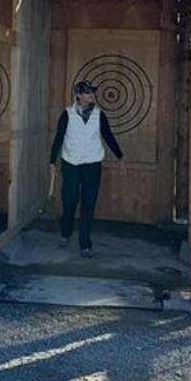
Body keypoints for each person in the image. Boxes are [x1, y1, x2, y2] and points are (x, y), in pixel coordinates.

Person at [49, 80, 125, 256]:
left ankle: (85, 244)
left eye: (92, 92)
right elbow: (59, 137)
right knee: (69, 200)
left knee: (88, 203)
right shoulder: (67, 114)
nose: (91, 95)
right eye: (87, 92)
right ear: (78, 95)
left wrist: (120, 156)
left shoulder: (99, 115)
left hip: (92, 163)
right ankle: (65, 232)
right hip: (71, 163)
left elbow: (108, 136)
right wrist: (52, 161)